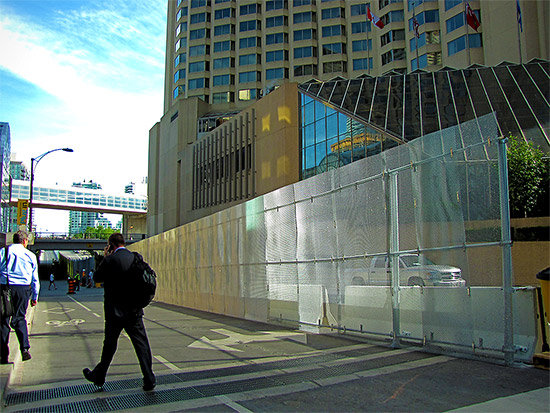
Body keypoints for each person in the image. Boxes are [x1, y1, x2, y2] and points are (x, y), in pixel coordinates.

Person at [83, 233, 155, 391]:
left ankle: (99, 376)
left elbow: (97, 278)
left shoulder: (110, 260)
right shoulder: (136, 257)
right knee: (141, 344)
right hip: (134, 310)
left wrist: (103, 258)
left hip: (115, 312)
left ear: (111, 245)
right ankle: (149, 378)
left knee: (109, 345)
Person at [0, 230, 40, 364]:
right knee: (19, 318)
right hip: (23, 289)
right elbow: (35, 279)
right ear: (24, 241)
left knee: (3, 321)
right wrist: (35, 296)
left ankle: (3, 355)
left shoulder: (3, 252)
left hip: (5, 287)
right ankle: (24, 349)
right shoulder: (30, 255)